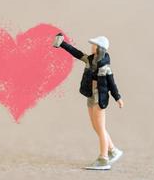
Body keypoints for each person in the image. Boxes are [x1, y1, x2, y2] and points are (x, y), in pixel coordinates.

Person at [53, 33, 124, 170]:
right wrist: (62, 44)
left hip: (99, 98)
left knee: (101, 128)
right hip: (90, 96)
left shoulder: (105, 67)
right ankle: (113, 150)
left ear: (100, 48)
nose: (92, 47)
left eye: (94, 45)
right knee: (96, 127)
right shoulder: (90, 60)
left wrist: (118, 98)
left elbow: (112, 84)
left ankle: (103, 159)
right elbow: (77, 53)